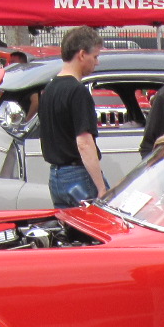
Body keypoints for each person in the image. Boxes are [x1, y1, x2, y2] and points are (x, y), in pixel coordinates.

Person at [39, 25, 107, 207]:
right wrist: (101, 187)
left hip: (56, 176)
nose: (97, 62)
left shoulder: (49, 89)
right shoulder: (77, 91)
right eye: (95, 56)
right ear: (82, 54)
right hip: (78, 174)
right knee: (96, 229)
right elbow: (84, 143)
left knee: (69, 233)